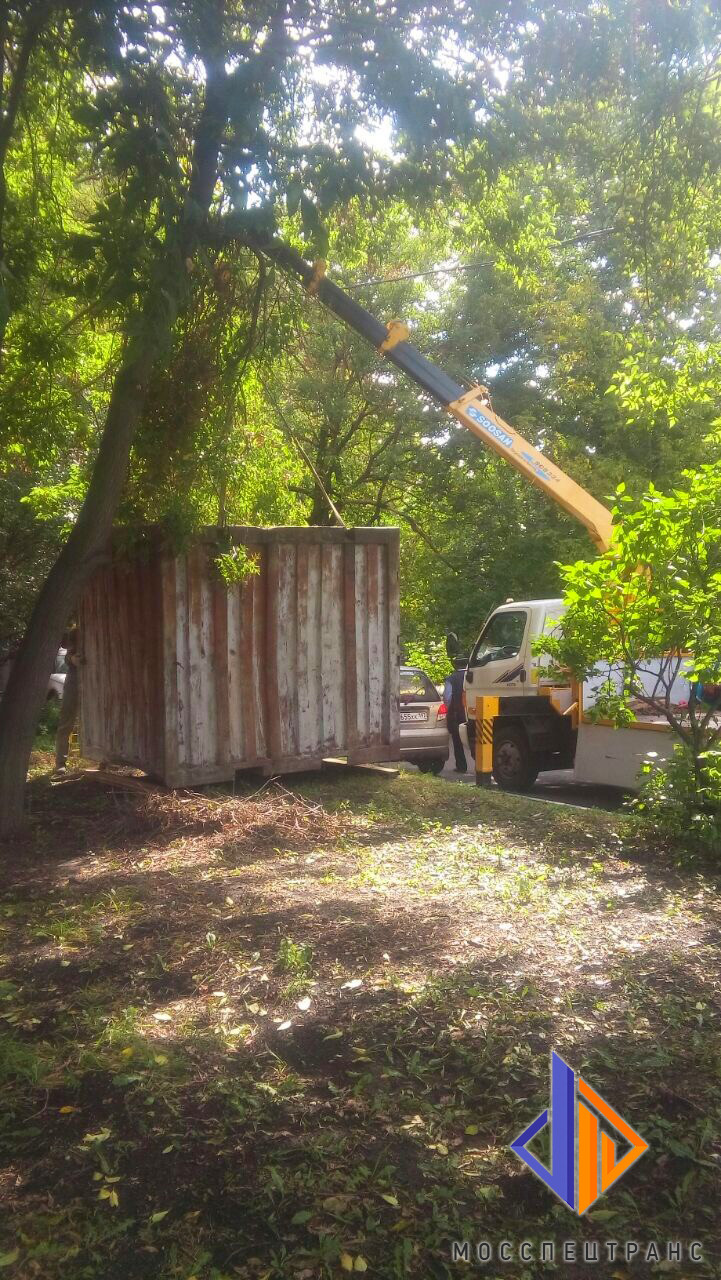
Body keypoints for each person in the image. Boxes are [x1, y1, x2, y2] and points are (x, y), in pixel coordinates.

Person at [55, 625, 80, 772]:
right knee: (66, 723)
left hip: (95, 683)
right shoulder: (76, 632)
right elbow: (68, 655)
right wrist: (72, 659)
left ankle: (104, 761)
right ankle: (60, 763)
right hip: (74, 684)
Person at [443, 659, 468, 773]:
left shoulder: (451, 678)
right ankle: (483, 767)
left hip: (457, 713)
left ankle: (461, 766)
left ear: (455, 665)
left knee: (457, 741)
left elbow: (447, 697)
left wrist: (449, 709)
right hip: (473, 712)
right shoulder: (473, 675)